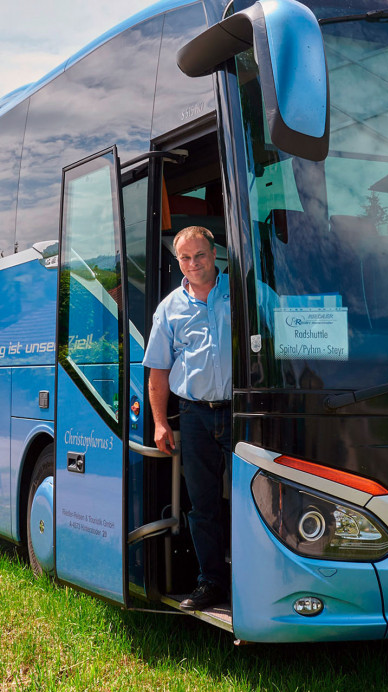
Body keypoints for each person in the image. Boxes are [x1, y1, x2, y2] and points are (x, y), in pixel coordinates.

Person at [142, 225, 232, 611]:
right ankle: (211, 582)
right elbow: (158, 372)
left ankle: (258, 579)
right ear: (177, 260)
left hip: (244, 412)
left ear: (214, 255)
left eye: (200, 255)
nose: (193, 264)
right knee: (203, 506)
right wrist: (161, 423)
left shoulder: (243, 291)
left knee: (258, 499)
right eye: (185, 257)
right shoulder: (170, 307)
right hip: (195, 417)